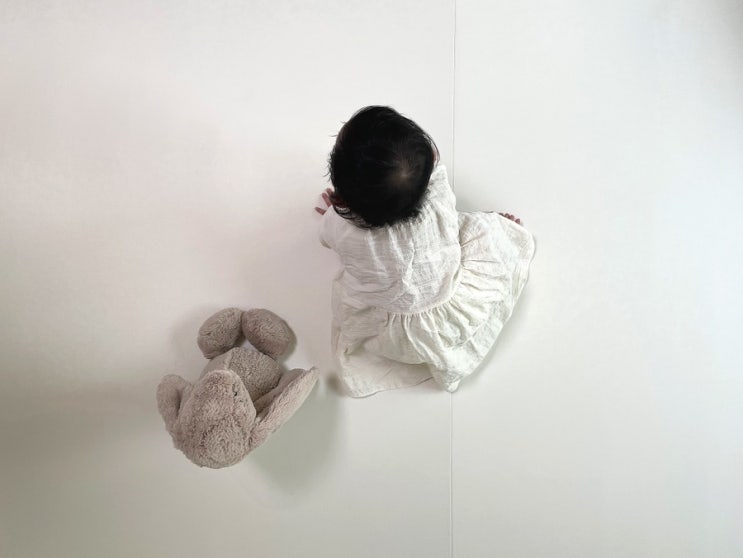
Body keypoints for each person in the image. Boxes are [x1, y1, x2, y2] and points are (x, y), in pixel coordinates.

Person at [315, 106, 535, 396]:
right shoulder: (437, 195)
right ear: (431, 158)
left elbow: (327, 239)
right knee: (479, 230)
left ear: (342, 201)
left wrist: (335, 217)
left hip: (393, 337)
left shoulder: (339, 227)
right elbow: (443, 201)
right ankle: (501, 230)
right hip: (449, 321)